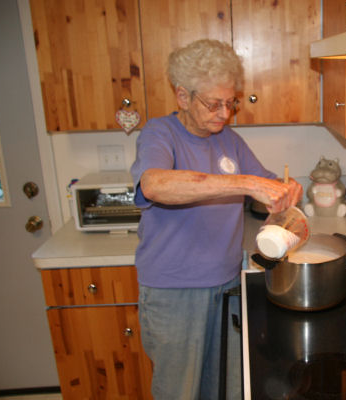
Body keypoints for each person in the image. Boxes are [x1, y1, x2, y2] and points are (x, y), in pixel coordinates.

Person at [130, 39, 302, 400]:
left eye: (231, 103)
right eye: (214, 104)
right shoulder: (159, 134)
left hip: (226, 286)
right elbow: (155, 184)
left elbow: (264, 192)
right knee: (180, 392)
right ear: (182, 97)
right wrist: (245, 182)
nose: (224, 114)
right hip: (174, 292)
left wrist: (283, 192)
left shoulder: (230, 140)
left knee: (225, 386)